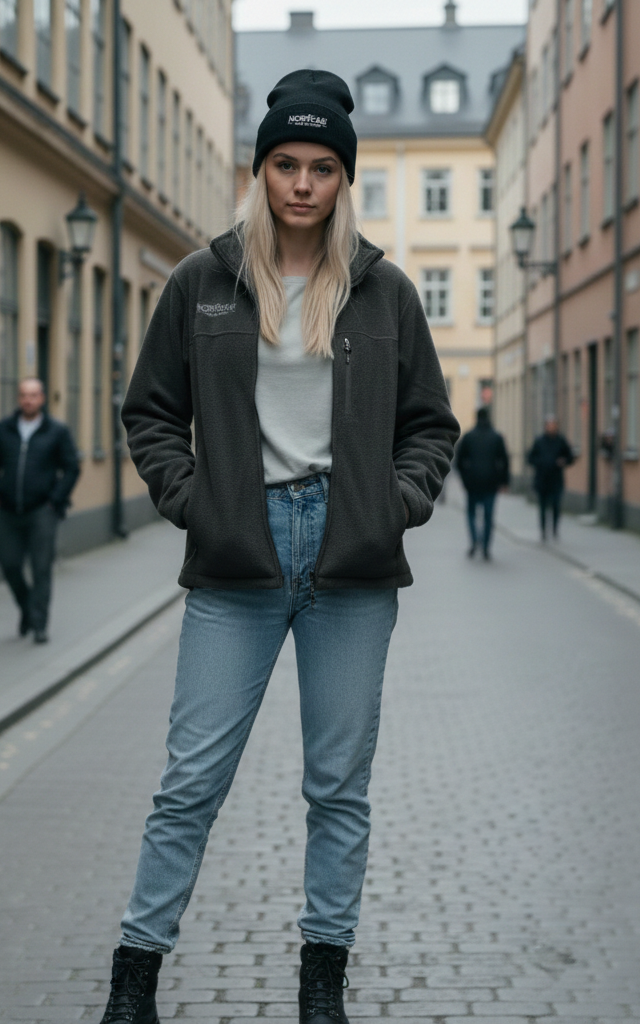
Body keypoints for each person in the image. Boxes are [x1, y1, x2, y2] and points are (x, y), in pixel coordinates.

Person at [96, 70, 459, 1024]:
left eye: (323, 167)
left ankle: (321, 985)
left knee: (338, 787)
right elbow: (151, 414)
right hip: (238, 560)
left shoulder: (383, 293)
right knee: (190, 782)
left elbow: (431, 425)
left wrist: (394, 504)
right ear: (260, 171)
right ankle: (134, 982)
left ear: (345, 179)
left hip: (351, 563)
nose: (302, 182)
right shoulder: (200, 282)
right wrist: (198, 504)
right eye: (286, 164)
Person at [0, 377, 79, 643]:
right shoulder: (3, 429)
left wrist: (55, 499)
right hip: (9, 511)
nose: (28, 400)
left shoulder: (56, 431)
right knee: (8, 563)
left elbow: (72, 467)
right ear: (18, 399)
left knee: (41, 568)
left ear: (43, 399)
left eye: (34, 395)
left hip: (42, 511)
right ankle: (26, 608)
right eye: (24, 395)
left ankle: (39, 625)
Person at [454, 407, 510, 559]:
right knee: (488, 516)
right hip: (491, 483)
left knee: (471, 514)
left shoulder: (469, 437)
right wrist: (504, 481)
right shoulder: (497, 437)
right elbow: (504, 460)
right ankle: (485, 547)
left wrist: (464, 478)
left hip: (472, 483)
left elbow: (458, 460)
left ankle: (474, 542)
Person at [527, 414, 574, 541]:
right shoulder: (539, 441)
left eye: (553, 425)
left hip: (556, 479)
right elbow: (530, 458)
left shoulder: (561, 440)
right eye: (549, 425)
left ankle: (554, 529)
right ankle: (543, 530)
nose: (551, 427)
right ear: (546, 426)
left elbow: (570, 456)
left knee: (556, 505)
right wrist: (540, 462)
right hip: (542, 479)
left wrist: (564, 461)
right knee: (542, 507)